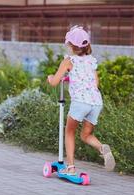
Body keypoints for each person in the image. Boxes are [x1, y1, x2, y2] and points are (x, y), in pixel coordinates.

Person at [47, 25, 116, 175]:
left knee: (69, 132)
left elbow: (54, 82)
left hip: (80, 102)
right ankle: (102, 148)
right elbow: (95, 83)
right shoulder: (91, 61)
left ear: (71, 45)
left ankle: (70, 168)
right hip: (96, 102)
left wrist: (51, 78)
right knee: (86, 135)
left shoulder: (68, 61)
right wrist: (74, 80)